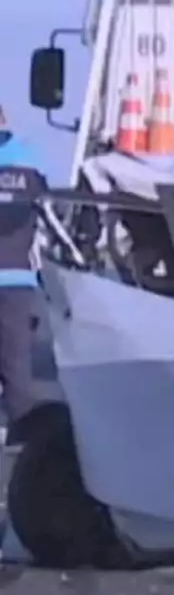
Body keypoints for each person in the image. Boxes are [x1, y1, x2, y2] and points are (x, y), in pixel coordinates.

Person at [0, 106, 49, 431]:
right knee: (16, 369)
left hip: (13, 276)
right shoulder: (30, 160)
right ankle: (22, 449)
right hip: (17, 279)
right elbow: (48, 209)